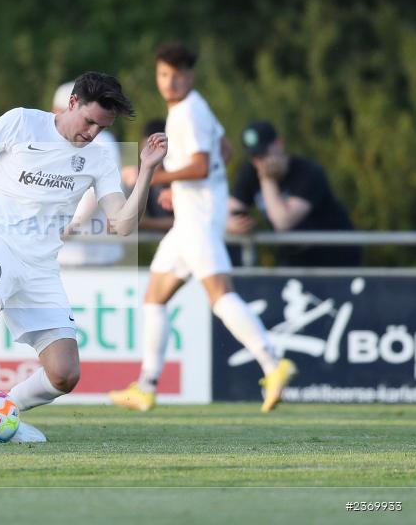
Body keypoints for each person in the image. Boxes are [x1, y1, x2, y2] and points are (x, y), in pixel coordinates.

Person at [0, 71, 168, 444]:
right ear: (72, 103)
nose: (92, 133)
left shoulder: (99, 157)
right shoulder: (21, 122)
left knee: (65, 375)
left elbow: (123, 225)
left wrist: (148, 169)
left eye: (101, 127)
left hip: (41, 265)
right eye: (90, 121)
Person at [109, 43, 296, 414]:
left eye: (177, 75)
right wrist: (183, 190)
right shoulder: (195, 107)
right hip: (191, 219)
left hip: (197, 222)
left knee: (221, 296)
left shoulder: (187, 113)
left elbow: (200, 164)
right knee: (154, 297)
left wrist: (156, 176)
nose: (170, 82)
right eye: (164, 74)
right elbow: (223, 151)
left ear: (189, 77)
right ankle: (145, 386)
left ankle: (273, 364)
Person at [228, 120, 362, 266]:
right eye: (254, 157)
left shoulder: (308, 173)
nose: (260, 162)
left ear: (279, 144)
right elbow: (229, 210)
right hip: (294, 258)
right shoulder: (250, 172)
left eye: (264, 153)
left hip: (334, 258)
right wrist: (232, 224)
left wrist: (267, 180)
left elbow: (282, 222)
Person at [53, 81, 125, 266]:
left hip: (92, 250)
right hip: (63, 251)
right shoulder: (60, 140)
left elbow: (96, 192)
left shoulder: (102, 141)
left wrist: (70, 228)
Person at [121, 118, 175, 233]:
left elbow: (184, 222)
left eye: (158, 148)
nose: (153, 154)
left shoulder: (178, 177)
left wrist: (143, 223)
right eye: (150, 147)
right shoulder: (132, 174)